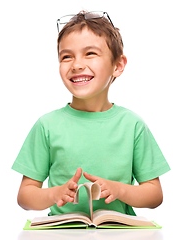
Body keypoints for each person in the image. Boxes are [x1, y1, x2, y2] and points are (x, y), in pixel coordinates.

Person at [12, 11, 170, 217]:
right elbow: (25, 196)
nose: (76, 65)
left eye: (90, 53)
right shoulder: (47, 125)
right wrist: (55, 194)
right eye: (66, 56)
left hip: (119, 233)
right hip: (61, 233)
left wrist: (120, 190)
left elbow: (155, 195)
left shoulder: (132, 124)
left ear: (118, 65)